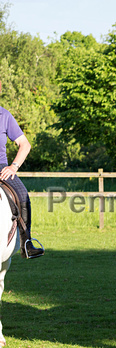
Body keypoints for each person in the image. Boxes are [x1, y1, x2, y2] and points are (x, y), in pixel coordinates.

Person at [0, 81, 45, 259]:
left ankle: (27, 243)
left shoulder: (4, 115)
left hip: (1, 167)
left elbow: (25, 145)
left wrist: (13, 166)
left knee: (22, 194)